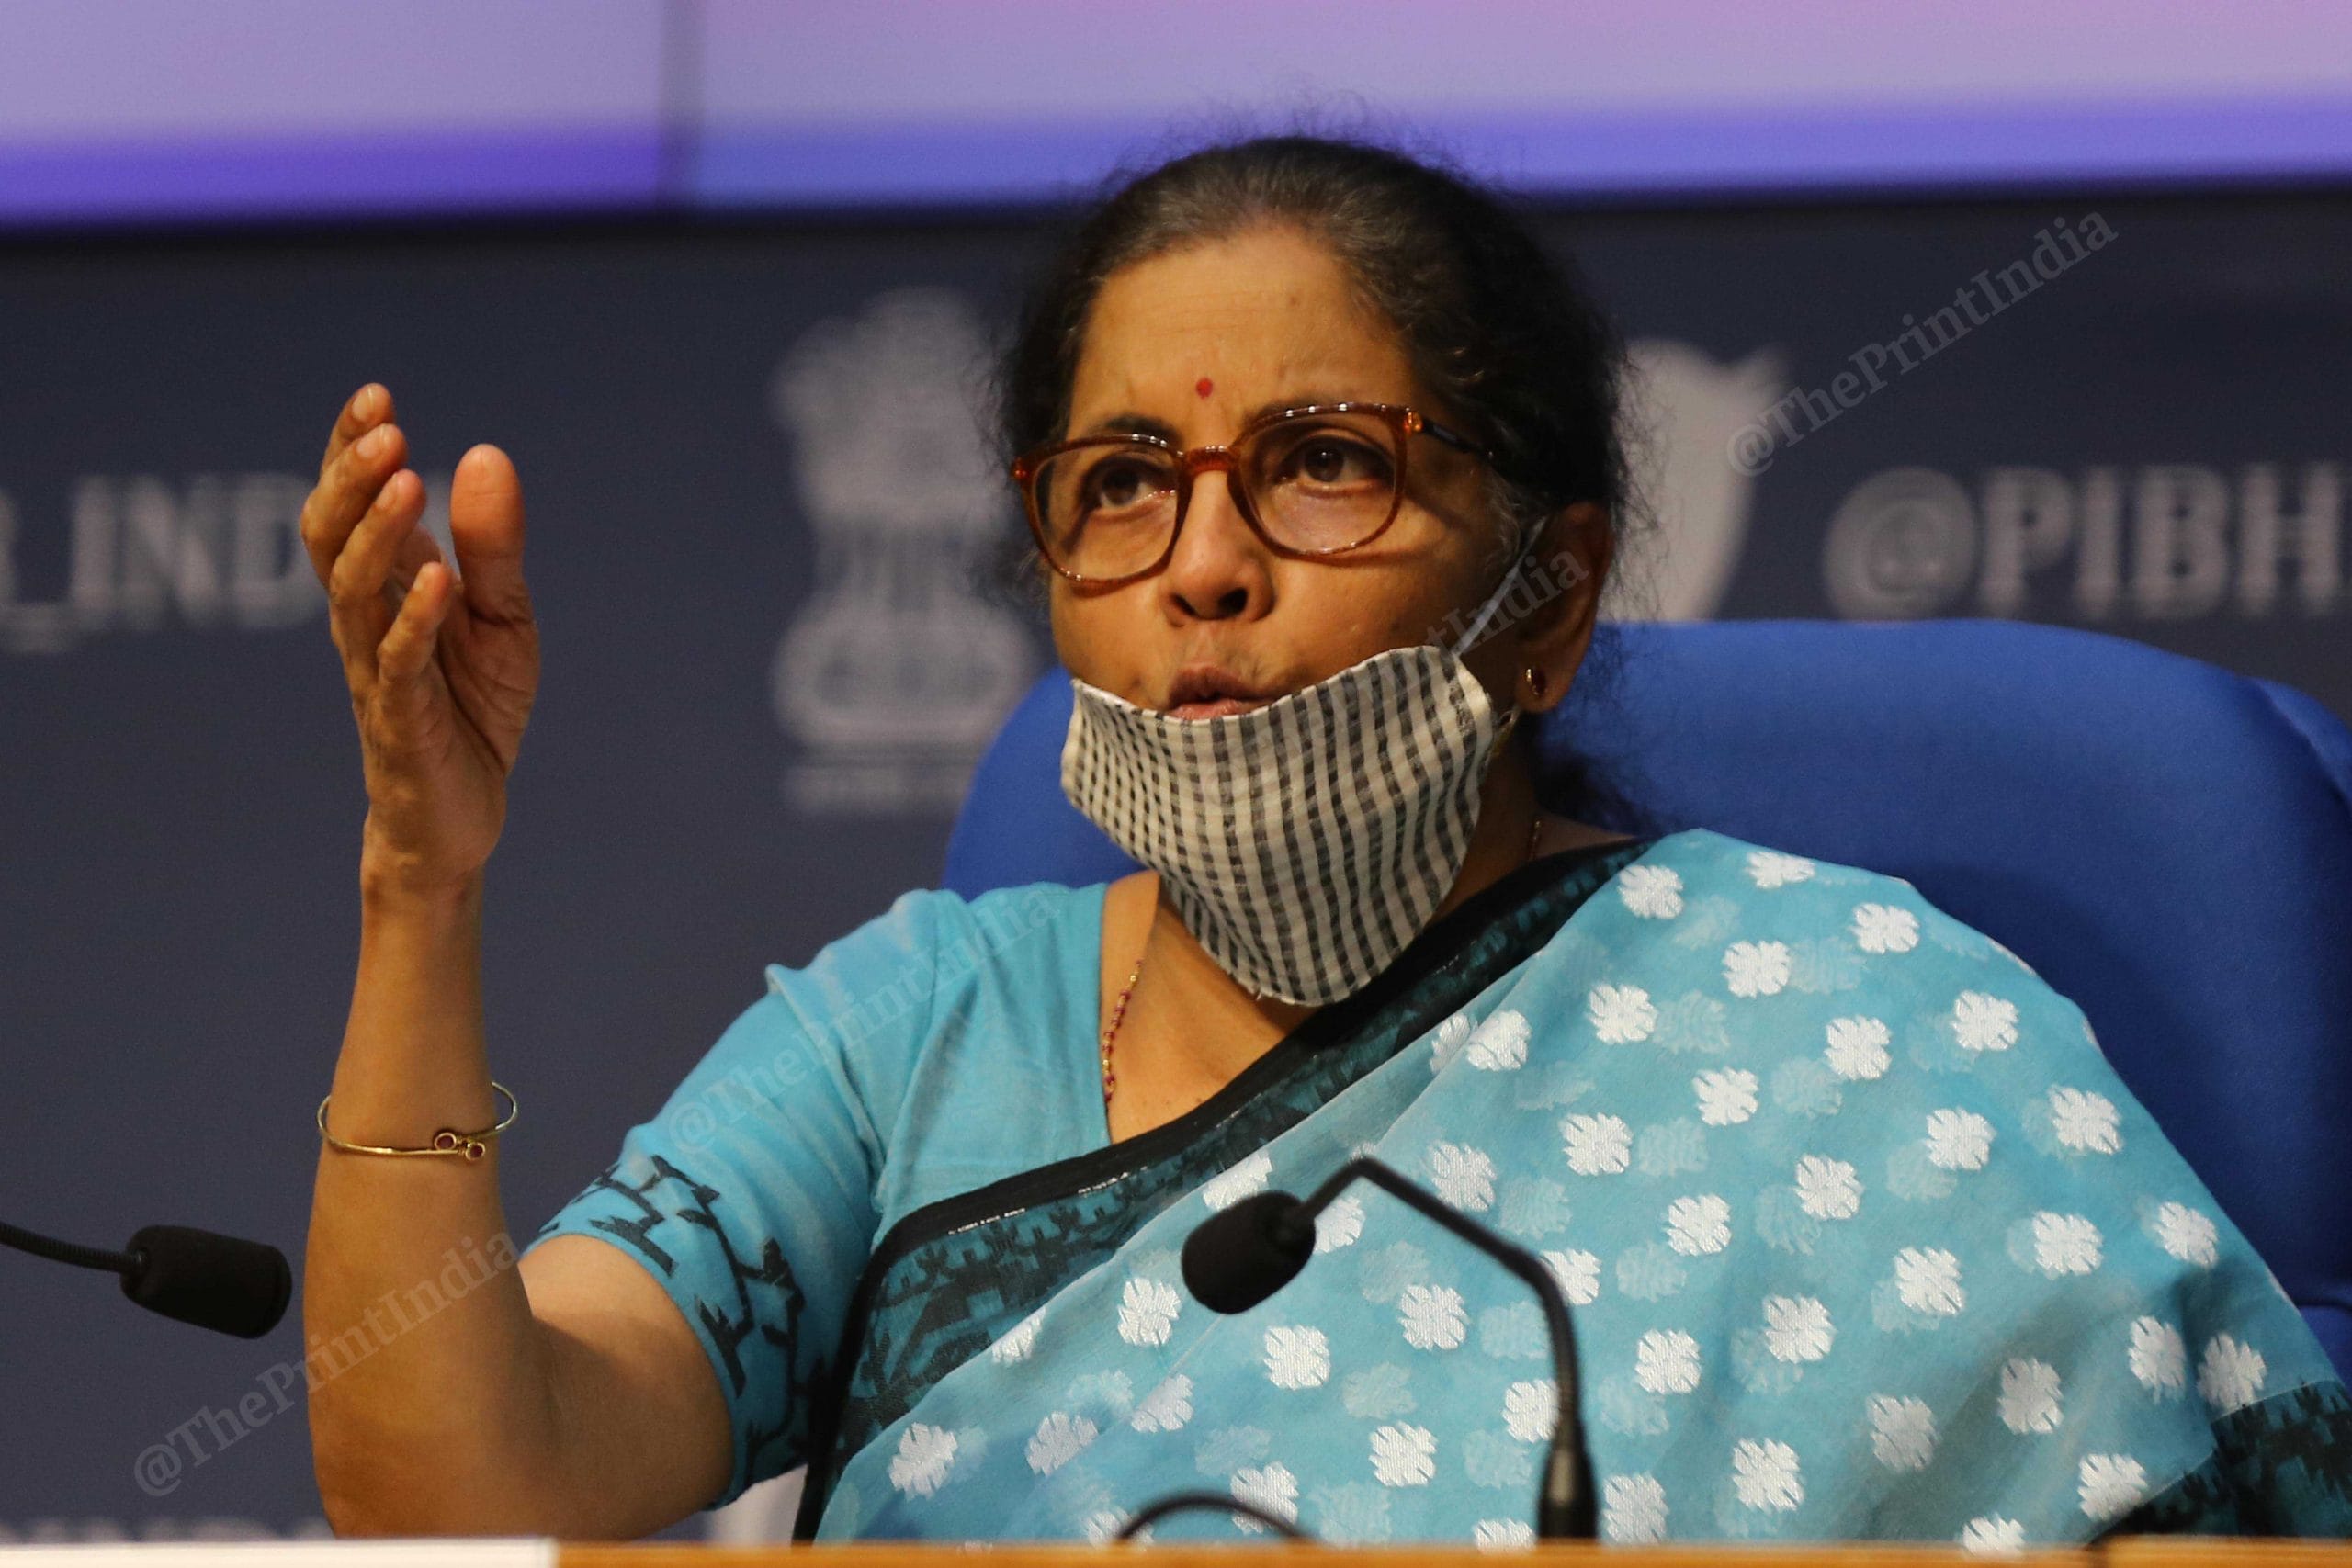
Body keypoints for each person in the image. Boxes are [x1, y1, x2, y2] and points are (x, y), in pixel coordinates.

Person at [298, 135, 2349, 1546]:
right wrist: (423, 872)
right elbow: (450, 1483)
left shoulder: (1859, 1022)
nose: (1201, 563)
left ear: (1544, 598)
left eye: (1321, 468)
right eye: (1120, 482)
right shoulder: (907, 1039)